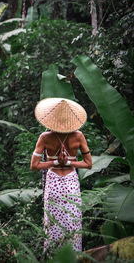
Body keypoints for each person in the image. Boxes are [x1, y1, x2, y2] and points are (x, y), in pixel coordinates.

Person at [30, 98, 92, 253]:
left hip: (54, 183)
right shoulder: (78, 136)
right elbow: (88, 163)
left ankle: (53, 255)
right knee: (72, 219)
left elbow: (34, 165)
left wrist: (55, 162)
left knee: (53, 221)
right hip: (71, 181)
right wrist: (70, 163)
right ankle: (73, 256)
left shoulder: (44, 137)